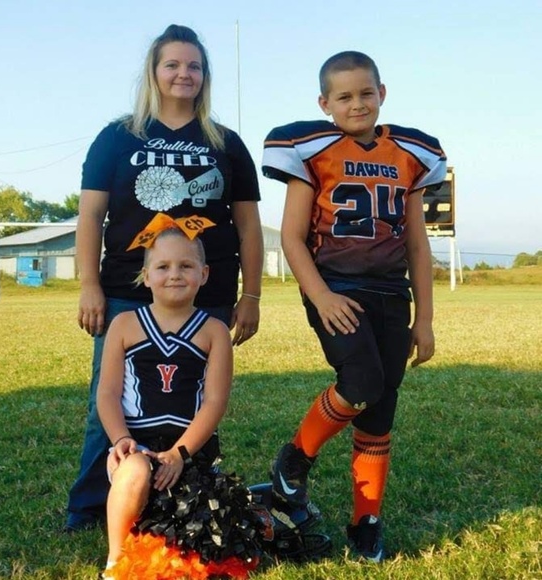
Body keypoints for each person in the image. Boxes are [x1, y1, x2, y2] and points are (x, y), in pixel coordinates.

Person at [66, 23, 264, 532]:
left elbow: (248, 227)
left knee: (193, 401)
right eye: (172, 64)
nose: (183, 74)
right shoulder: (118, 137)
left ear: (205, 75)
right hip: (127, 293)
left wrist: (251, 295)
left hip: (206, 294)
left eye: (194, 65)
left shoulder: (226, 144)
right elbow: (91, 217)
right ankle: (90, 505)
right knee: (111, 401)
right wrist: (89, 285)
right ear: (153, 71)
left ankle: (190, 504)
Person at [261, 51, 446, 562]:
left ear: (381, 93)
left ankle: (366, 521)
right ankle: (296, 456)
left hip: (391, 291)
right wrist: (320, 295)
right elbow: (293, 238)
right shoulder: (312, 149)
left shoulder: (410, 153)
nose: (357, 104)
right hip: (336, 287)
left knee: (380, 410)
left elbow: (417, 245)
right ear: (325, 103)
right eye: (344, 96)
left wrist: (425, 319)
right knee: (361, 382)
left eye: (366, 93)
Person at [96, 224, 233, 575]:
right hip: (137, 445)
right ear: (146, 276)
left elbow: (215, 402)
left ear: (204, 274)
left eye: (186, 266)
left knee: (199, 547)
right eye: (162, 266)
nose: (174, 274)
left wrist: (180, 453)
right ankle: (115, 562)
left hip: (190, 449)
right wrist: (121, 440)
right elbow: (107, 393)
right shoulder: (124, 324)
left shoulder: (215, 330)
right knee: (135, 471)